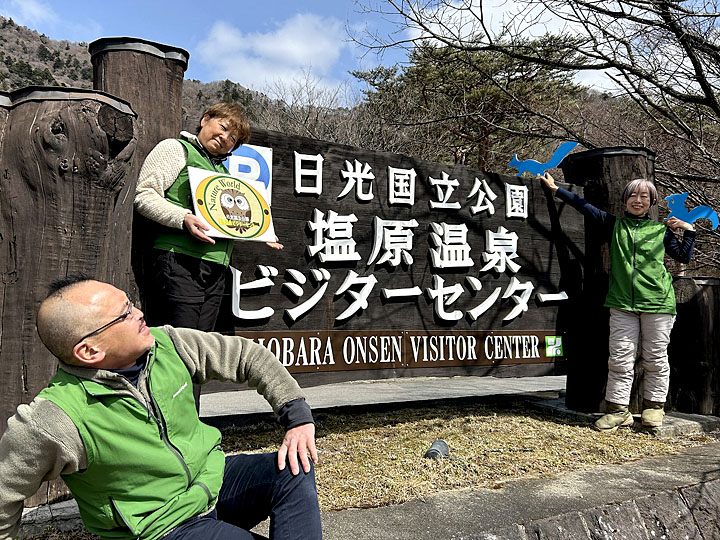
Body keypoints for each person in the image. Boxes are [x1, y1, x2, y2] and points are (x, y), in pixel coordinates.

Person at [0, 277, 322, 540]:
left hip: (211, 482)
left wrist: (296, 416)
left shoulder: (167, 344)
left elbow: (244, 355)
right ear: (89, 350)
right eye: (124, 314)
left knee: (293, 469)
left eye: (130, 303)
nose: (139, 313)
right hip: (162, 526)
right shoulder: (55, 417)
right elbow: (4, 493)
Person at [539, 172, 696, 431]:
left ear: (652, 202)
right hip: (622, 303)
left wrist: (689, 231)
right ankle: (618, 411)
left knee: (655, 358)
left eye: (644, 196)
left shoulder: (660, 231)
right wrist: (556, 189)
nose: (638, 200)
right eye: (632, 195)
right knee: (620, 359)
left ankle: (654, 407)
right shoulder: (614, 225)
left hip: (658, 303)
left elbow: (683, 256)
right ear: (624, 201)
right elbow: (584, 207)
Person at [134, 102, 282, 333]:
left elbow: (227, 221)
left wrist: (259, 232)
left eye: (233, 138)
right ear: (205, 120)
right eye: (223, 127)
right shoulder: (177, 148)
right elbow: (144, 195)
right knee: (179, 341)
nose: (225, 138)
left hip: (215, 270)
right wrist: (183, 217)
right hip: (179, 261)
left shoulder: (224, 174)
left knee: (202, 343)